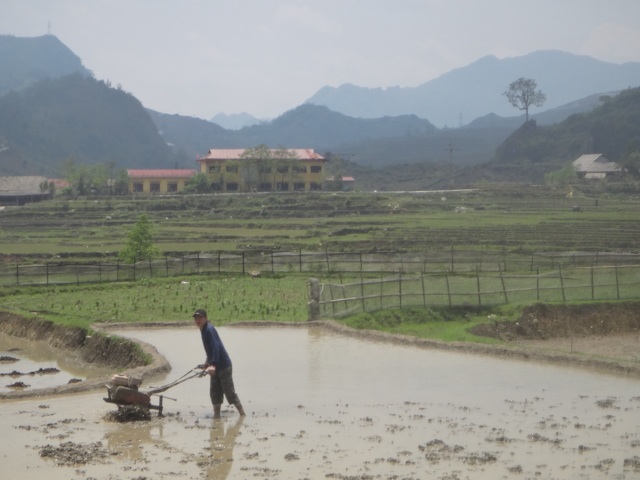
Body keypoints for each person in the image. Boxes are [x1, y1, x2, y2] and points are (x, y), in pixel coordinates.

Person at [193, 309, 245, 418]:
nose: (198, 320)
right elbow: (210, 351)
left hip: (223, 366)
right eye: (196, 318)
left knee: (229, 393)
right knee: (215, 392)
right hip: (215, 365)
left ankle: (242, 414)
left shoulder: (209, 330)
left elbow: (216, 348)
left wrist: (213, 365)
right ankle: (216, 416)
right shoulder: (203, 330)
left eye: (200, 318)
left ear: (205, 319)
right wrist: (206, 363)